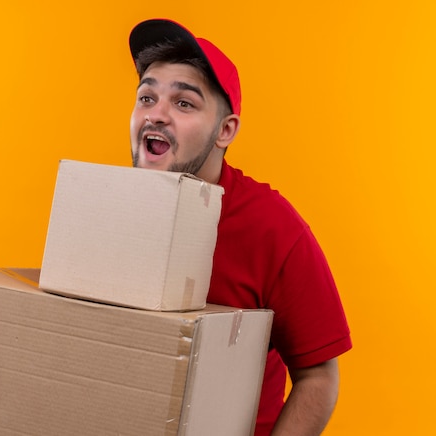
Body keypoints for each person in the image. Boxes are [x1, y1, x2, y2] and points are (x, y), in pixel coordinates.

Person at [128, 19, 352, 436]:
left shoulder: (273, 228)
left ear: (225, 130)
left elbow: (319, 377)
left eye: (183, 103)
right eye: (147, 97)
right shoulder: (104, 210)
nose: (156, 114)